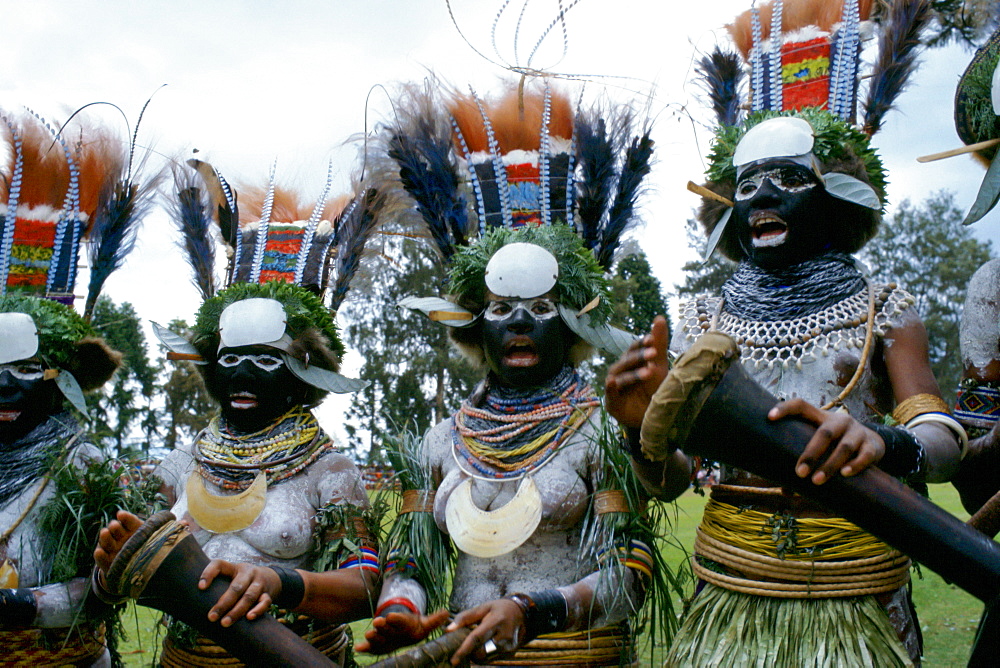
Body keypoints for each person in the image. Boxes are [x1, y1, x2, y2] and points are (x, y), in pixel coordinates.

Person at [608, 3, 966, 665]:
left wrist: (883, 442)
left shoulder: (882, 307)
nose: (763, 197)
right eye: (747, 186)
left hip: (857, 585)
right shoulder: (701, 319)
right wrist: (640, 434)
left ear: (831, 198)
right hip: (732, 590)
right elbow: (672, 481)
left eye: (788, 180)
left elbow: (941, 441)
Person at [358, 82, 687, 666]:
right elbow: (410, 561)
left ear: (572, 324)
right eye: (499, 309)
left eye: (540, 311)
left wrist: (537, 611)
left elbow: (628, 573)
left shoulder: (601, 432)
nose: (518, 325)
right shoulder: (442, 441)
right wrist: (401, 612)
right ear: (472, 325)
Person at [93, 162, 387, 665]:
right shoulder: (179, 466)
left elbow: (363, 587)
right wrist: (109, 571)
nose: (244, 374)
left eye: (267, 359)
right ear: (210, 366)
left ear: (304, 372)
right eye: (230, 358)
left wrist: (282, 582)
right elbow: (115, 579)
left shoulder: (328, 471)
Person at [0, 111, 159, 665]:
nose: (3, 393)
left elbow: (110, 585)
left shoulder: (82, 466)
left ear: (63, 379)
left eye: (23, 373)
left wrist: (23, 607)